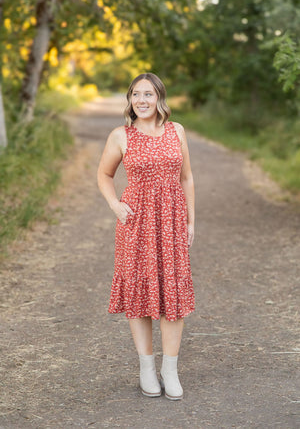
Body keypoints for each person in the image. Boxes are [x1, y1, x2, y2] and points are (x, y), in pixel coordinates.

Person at [97, 72, 195, 400]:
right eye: (136, 94)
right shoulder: (121, 135)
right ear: (130, 100)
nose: (141, 100)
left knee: (173, 294)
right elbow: (104, 174)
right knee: (140, 292)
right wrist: (115, 204)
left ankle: (170, 369)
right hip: (136, 221)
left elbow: (187, 178)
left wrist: (190, 221)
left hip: (171, 221)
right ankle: (146, 368)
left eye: (148, 94)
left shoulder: (176, 131)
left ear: (159, 99)